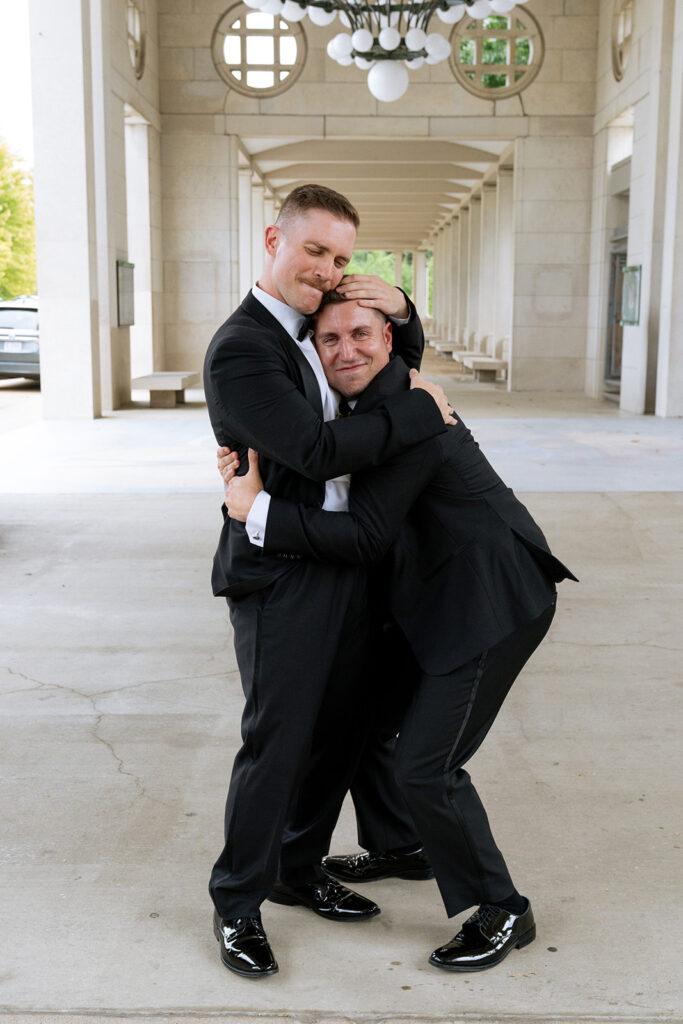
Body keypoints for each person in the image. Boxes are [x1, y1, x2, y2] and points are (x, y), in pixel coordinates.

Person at [223, 289, 577, 973]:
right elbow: (331, 440)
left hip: (485, 602)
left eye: (361, 334)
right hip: (429, 591)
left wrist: (252, 510)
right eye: (329, 340)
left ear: (386, 341)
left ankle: (501, 908)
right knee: (361, 714)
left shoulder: (413, 411)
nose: (345, 350)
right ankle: (397, 844)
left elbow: (362, 534)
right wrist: (407, 308)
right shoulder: (373, 394)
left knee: (427, 766)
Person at [203, 183, 455, 979]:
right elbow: (313, 451)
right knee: (277, 744)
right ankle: (236, 905)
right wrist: (422, 412)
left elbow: (378, 357)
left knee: (338, 736)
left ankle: (295, 866)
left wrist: (406, 311)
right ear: (273, 238)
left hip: (342, 558)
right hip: (280, 572)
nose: (328, 270)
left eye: (342, 258)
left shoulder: (311, 329)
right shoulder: (244, 346)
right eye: (315, 250)